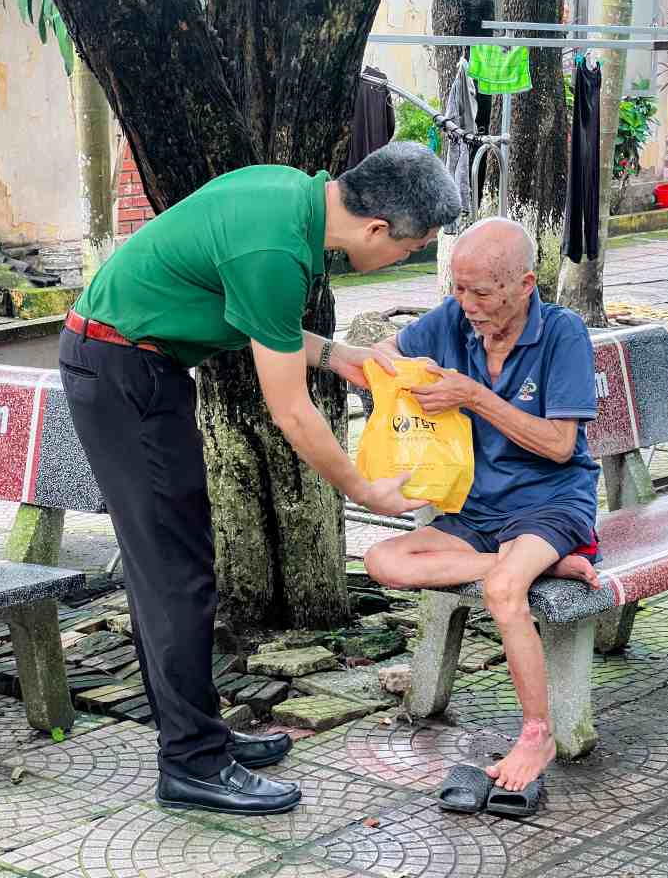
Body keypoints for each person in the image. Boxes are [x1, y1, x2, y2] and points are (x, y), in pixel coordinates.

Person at [59, 142, 461, 817]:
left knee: (173, 566)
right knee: (176, 575)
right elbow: (292, 414)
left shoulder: (287, 197)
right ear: (376, 229)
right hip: (123, 374)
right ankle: (192, 765)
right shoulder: (277, 253)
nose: (404, 259)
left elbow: (262, 322)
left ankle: (197, 736)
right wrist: (365, 492)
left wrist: (343, 357)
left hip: (128, 364)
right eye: (411, 247)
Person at [364, 217, 601, 796]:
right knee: (383, 561)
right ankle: (530, 563)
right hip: (477, 510)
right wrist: (394, 376)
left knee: (502, 592)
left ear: (523, 285)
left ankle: (538, 732)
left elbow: (558, 444)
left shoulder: (563, 334)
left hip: (551, 502)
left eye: (480, 291)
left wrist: (473, 396)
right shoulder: (453, 319)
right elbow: (382, 357)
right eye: (457, 288)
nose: (465, 303)